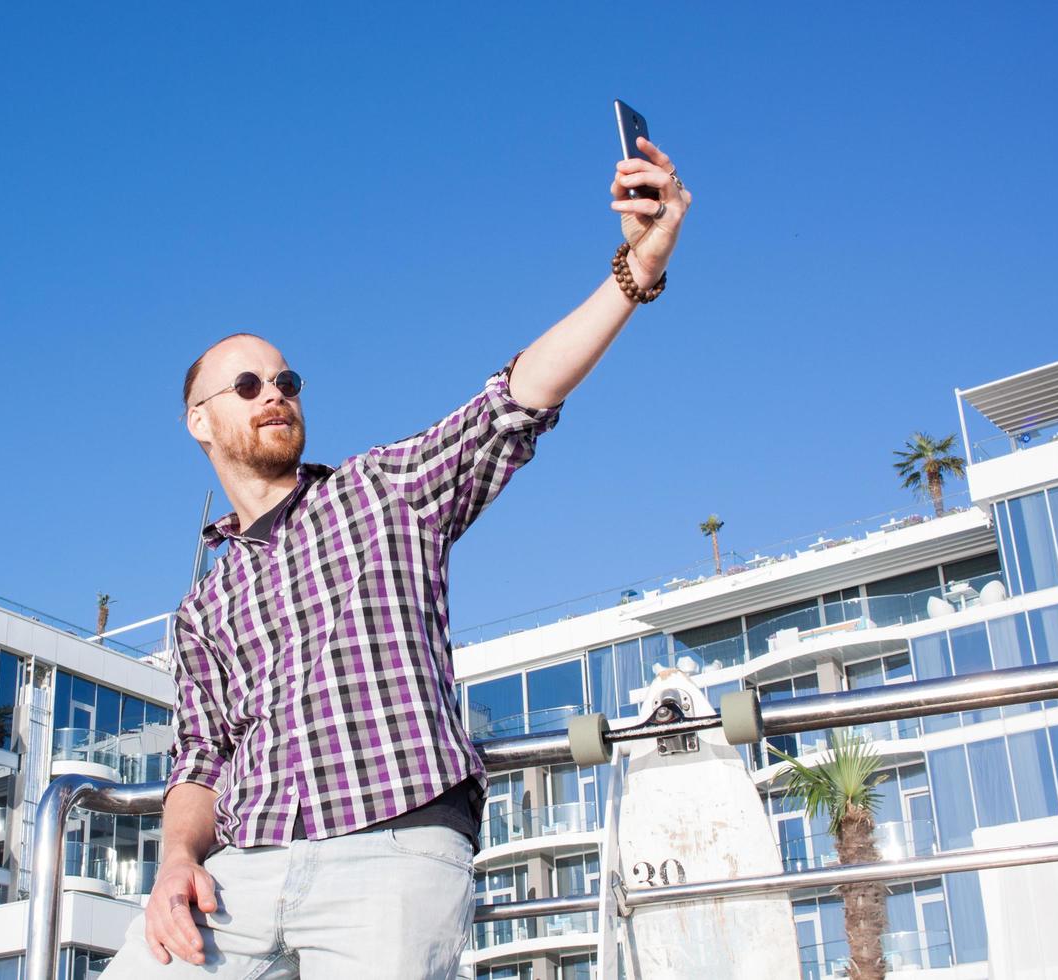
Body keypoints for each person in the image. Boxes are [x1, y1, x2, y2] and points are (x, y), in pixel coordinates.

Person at [99, 137, 690, 979]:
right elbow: (201, 759)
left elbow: (515, 400)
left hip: (393, 843)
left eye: (287, 380)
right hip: (244, 866)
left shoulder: (381, 491)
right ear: (200, 422)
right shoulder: (202, 607)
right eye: (248, 386)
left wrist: (637, 269)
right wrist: (174, 865)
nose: (276, 394)